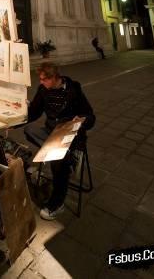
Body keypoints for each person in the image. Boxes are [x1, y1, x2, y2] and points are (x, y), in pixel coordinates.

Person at [25, 63, 96, 220]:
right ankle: (67, 157)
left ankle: (57, 204)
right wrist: (18, 115)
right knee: (29, 130)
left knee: (57, 160)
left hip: (70, 135)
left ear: (55, 78)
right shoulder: (43, 90)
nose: (41, 82)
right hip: (51, 133)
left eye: (44, 79)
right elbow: (34, 112)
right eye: (40, 79)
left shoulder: (73, 90)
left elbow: (91, 117)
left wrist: (83, 120)